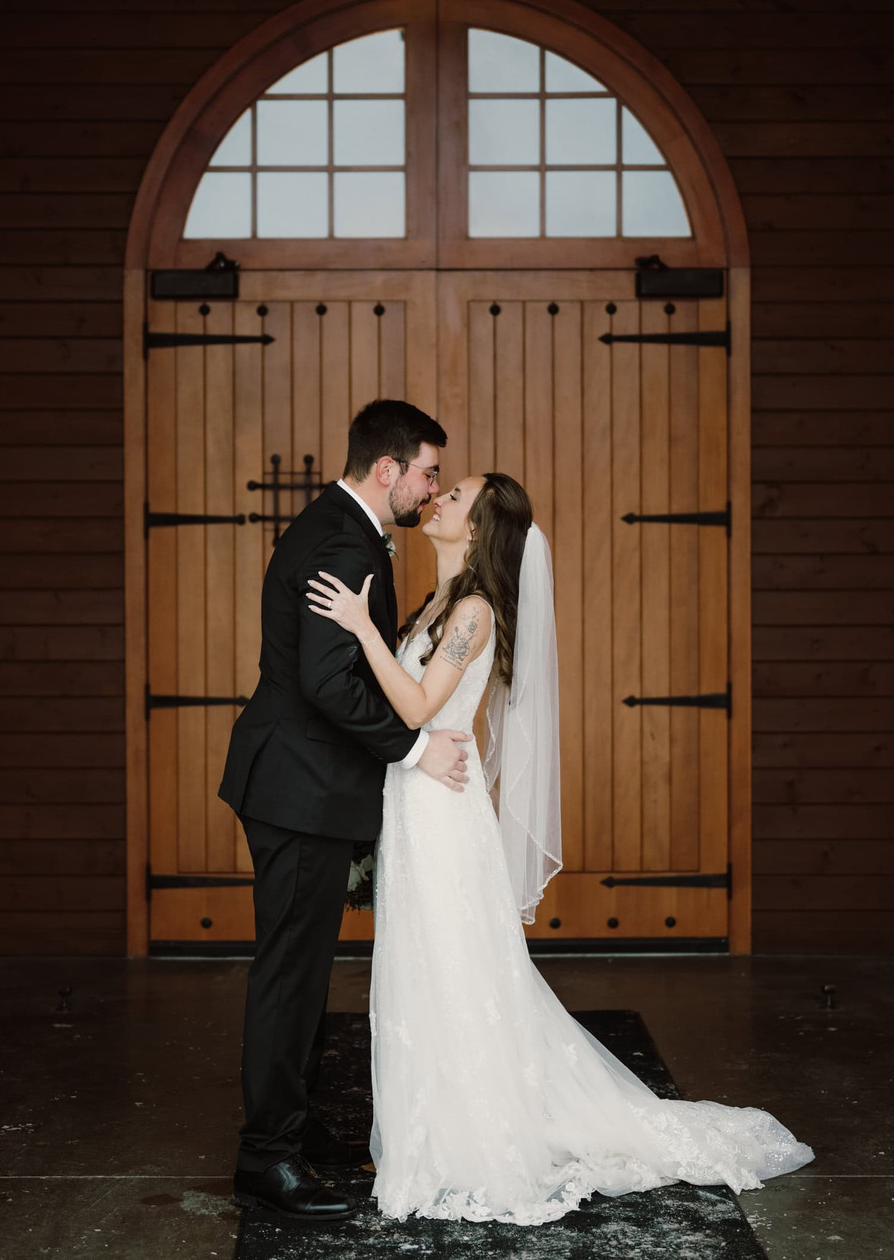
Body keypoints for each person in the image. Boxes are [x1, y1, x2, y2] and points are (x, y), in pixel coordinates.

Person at [307, 470, 814, 1226]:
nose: (438, 499)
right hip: (414, 800)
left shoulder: (474, 610)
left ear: (478, 529)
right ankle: (431, 1129)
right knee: (422, 964)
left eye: (456, 497)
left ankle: (466, 1138)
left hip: (443, 815)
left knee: (452, 965)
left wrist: (359, 626)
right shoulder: (439, 602)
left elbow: (414, 706)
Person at [219, 400, 473, 1223]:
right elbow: (328, 682)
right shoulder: (342, 540)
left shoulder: (342, 528)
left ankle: (290, 1127)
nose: (431, 488)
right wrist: (414, 748)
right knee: (290, 974)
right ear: (387, 468)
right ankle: (266, 1157)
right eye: (427, 472)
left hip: (302, 784)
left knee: (302, 969)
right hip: (299, 789)